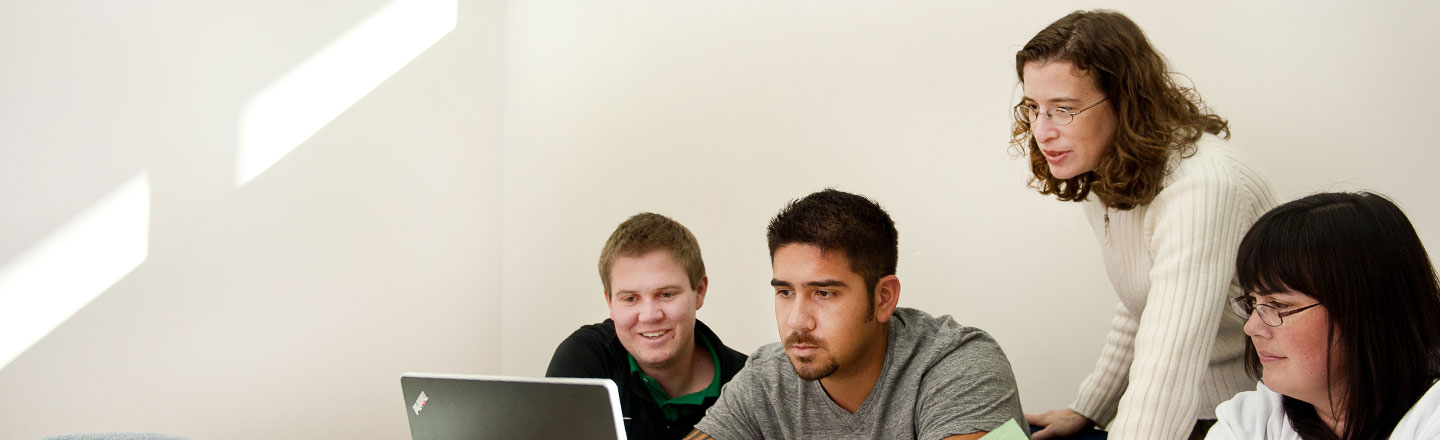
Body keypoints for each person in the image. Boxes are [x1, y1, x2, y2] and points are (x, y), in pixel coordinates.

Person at [1010, 10, 1280, 440]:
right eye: (1034, 109)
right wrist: (1088, 408)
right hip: (1193, 409)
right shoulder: (1111, 167)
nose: (1042, 131)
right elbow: (1145, 302)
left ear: (1124, 101)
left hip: (1256, 413)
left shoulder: (1202, 188)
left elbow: (1169, 363)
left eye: (1063, 110)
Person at [690, 189, 1025, 440]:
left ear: (883, 298)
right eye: (785, 292)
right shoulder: (767, 378)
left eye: (824, 293)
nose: (796, 320)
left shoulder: (963, 364)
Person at [1206, 192, 1440, 439]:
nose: (1251, 327)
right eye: (1253, 302)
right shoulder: (1250, 420)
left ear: (1365, 310)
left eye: (1278, 304)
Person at [546, 212, 748, 440]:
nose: (650, 316)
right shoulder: (585, 359)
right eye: (630, 299)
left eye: (666, 294)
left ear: (699, 291)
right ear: (609, 302)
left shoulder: (750, 383)